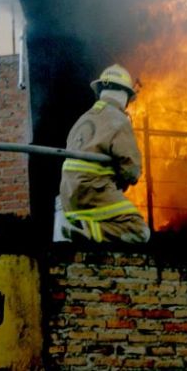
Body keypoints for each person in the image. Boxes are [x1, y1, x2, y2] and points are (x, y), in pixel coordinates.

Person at [55, 64, 150, 243]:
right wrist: (121, 181)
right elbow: (132, 170)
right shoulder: (118, 120)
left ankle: (80, 227)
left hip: (68, 195)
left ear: (100, 92)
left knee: (107, 220)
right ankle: (86, 231)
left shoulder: (83, 118)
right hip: (94, 192)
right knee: (139, 231)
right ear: (125, 95)